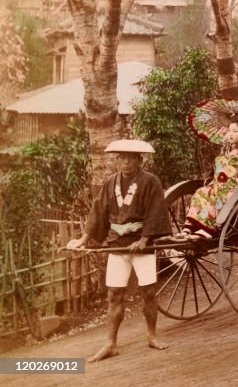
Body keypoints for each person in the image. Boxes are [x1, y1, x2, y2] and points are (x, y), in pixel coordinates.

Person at [66, 139, 172, 363]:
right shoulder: (110, 182)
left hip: (141, 243)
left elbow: (156, 211)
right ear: (116, 161)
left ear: (139, 160)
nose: (126, 162)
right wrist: (84, 239)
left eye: (131, 158)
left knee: (148, 292)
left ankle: (152, 336)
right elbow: (98, 211)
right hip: (117, 242)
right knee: (114, 294)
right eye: (121, 158)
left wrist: (145, 239)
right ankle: (110, 343)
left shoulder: (150, 181)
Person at [183, 114, 238, 237]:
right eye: (229, 131)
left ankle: (209, 228)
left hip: (235, 185)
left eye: (235, 131)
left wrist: (226, 156)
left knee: (219, 194)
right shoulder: (227, 149)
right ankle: (193, 225)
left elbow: (236, 167)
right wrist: (223, 152)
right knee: (201, 192)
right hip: (221, 183)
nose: (230, 134)